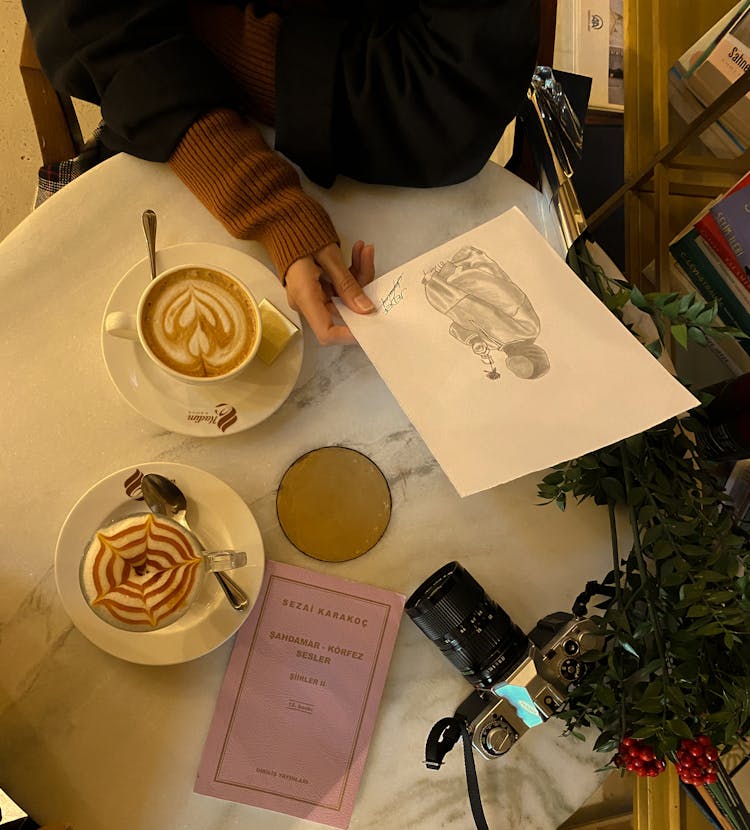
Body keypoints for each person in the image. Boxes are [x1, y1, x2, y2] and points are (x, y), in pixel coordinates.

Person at [22, 0, 541, 345]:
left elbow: (446, 106)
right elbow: (87, 22)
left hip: (383, 162)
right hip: (169, 125)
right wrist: (262, 199)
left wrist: (189, 28)